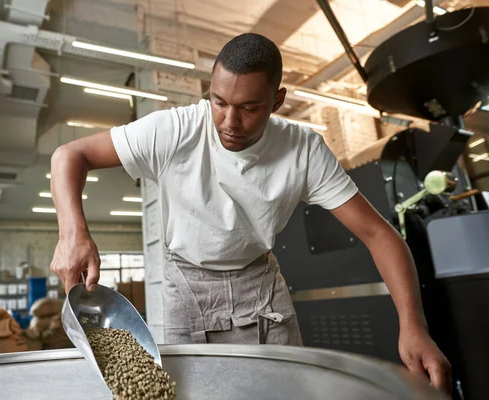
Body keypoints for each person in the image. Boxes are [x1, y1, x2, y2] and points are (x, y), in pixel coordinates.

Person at [49, 33, 451, 392]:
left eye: (249, 107)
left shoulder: (303, 150)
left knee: (281, 390)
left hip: (259, 286)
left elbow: (379, 235)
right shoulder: (175, 130)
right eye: (218, 102)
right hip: (186, 286)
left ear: (277, 100)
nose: (229, 121)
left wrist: (413, 325)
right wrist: (73, 233)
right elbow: (71, 154)